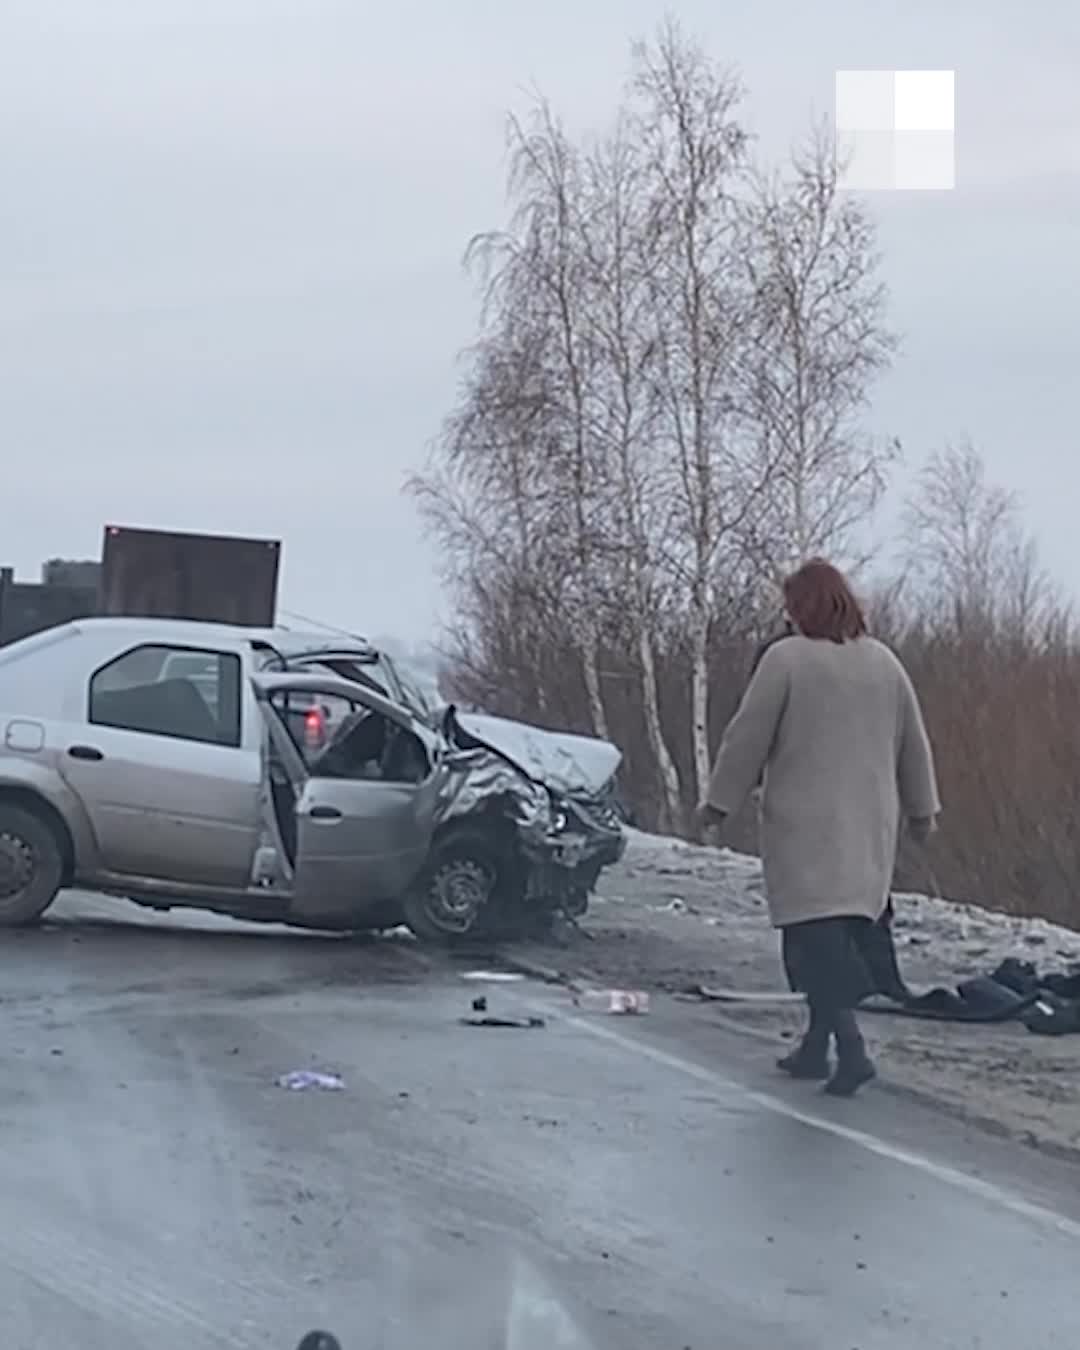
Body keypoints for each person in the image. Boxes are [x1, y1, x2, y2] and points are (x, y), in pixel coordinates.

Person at [697, 559, 939, 1097]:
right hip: (870, 829)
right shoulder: (885, 663)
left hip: (806, 828)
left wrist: (718, 803)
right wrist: (923, 812)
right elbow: (914, 745)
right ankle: (814, 1048)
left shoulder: (786, 660)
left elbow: (748, 737)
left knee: (814, 941)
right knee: (840, 935)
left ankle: (850, 1051)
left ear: (803, 607)